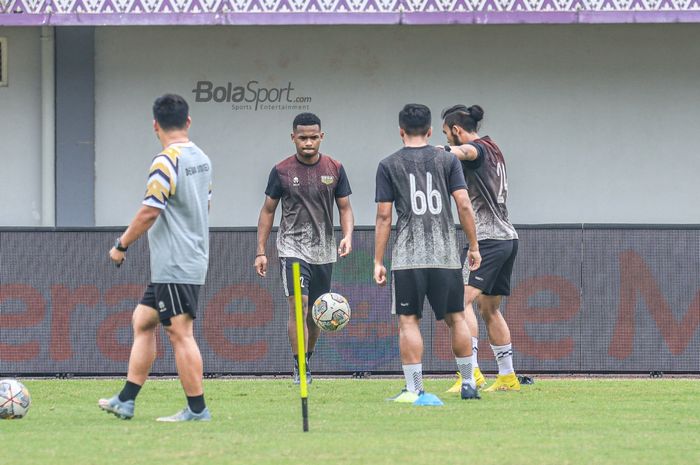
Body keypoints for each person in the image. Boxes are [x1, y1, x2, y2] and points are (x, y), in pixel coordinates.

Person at [98, 94, 213, 421]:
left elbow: (150, 211)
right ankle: (125, 400)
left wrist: (121, 245)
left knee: (180, 332)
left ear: (155, 125)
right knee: (143, 321)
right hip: (182, 259)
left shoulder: (166, 160)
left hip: (176, 262)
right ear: (188, 121)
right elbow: (206, 205)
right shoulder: (202, 158)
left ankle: (197, 410)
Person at [374, 103, 482, 404]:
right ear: (431, 130)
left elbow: (384, 217)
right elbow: (463, 204)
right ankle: (469, 383)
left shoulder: (388, 165)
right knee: (457, 317)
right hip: (445, 255)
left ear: (400, 131)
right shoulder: (447, 159)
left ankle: (414, 389)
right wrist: (474, 246)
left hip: (409, 257)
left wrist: (378, 260)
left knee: (408, 321)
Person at [255, 112, 354, 384]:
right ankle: (300, 368)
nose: (308, 143)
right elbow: (267, 211)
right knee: (299, 305)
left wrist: (347, 236)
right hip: (292, 249)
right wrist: (261, 251)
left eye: (313, 137)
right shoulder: (281, 171)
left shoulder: (335, 168)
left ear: (321, 137)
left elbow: (345, 208)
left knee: (316, 311)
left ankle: (306, 360)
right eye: (302, 138)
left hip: (324, 250)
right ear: (293, 138)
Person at [441, 104, 521, 392]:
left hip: (487, 240)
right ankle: (507, 377)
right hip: (508, 238)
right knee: (489, 309)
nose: (448, 138)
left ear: (456, 130)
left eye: (447, 134)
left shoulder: (475, 148)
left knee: (459, 305)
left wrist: (439, 151)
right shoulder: (494, 147)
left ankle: (471, 373)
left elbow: (465, 152)